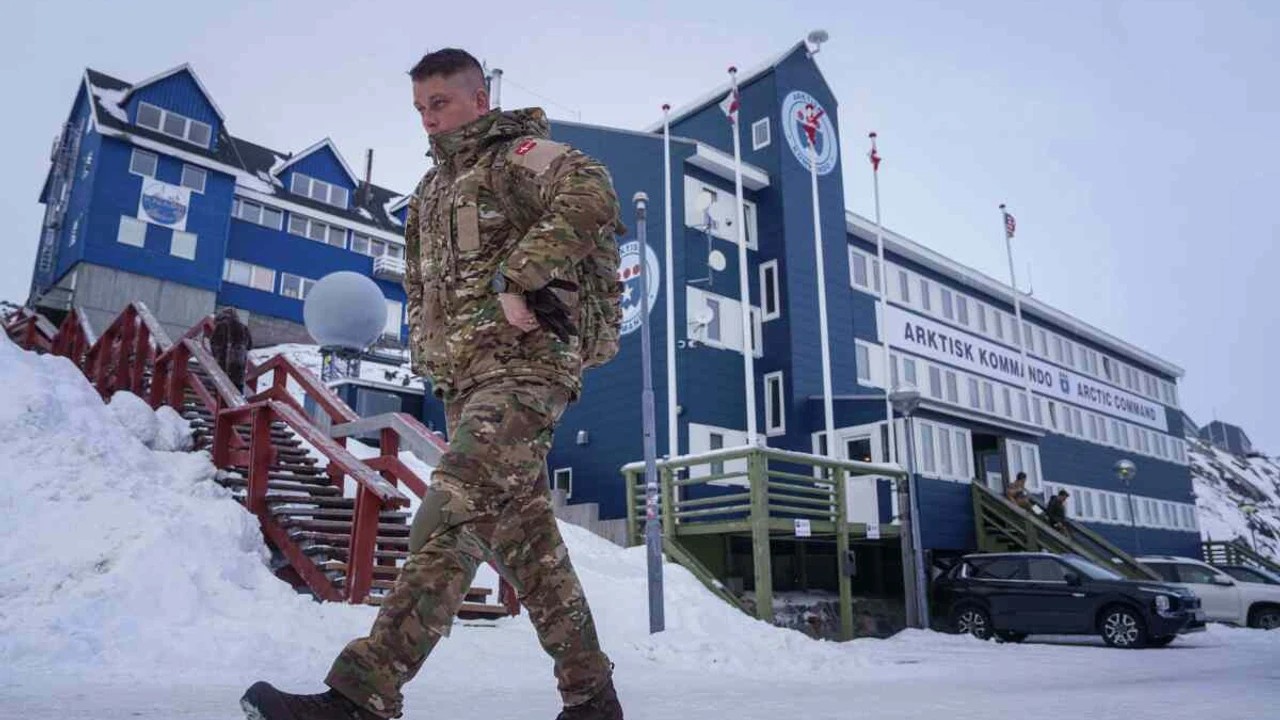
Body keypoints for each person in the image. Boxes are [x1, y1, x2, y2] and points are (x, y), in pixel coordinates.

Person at [241, 48, 624, 720]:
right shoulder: (430, 192)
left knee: (451, 513)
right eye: (419, 108)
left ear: (479, 100)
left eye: (440, 103)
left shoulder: (516, 155)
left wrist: (521, 276)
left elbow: (592, 190)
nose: (427, 119)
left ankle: (365, 692)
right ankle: (593, 699)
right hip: (466, 382)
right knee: (531, 549)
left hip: (524, 369)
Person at [209, 307, 251, 393]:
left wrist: (217, 355)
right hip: (238, 367)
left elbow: (213, 343)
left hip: (223, 364)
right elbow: (250, 345)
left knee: (221, 390)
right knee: (236, 391)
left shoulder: (221, 326)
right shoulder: (244, 328)